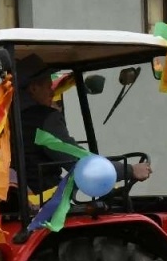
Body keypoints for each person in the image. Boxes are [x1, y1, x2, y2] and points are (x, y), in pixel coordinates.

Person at [15, 54, 152, 194]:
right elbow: (81, 163)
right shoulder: (45, 118)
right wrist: (130, 170)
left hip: (17, 201)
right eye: (48, 86)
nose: (52, 92)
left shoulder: (7, 119)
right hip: (47, 205)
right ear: (33, 89)